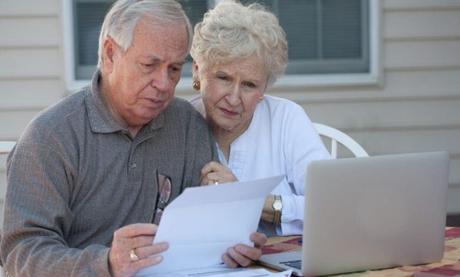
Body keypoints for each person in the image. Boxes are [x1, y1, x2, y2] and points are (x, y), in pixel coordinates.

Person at [0, 1, 266, 276]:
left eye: (174, 69)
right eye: (149, 65)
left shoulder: (187, 125)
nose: (164, 84)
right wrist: (107, 264)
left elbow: (203, 232)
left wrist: (232, 242)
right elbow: (21, 254)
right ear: (110, 54)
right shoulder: (50, 138)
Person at [191, 0, 330, 236]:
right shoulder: (177, 127)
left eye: (249, 85)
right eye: (223, 78)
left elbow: (333, 204)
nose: (234, 98)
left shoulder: (286, 118)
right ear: (197, 71)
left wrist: (250, 200)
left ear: (265, 87)